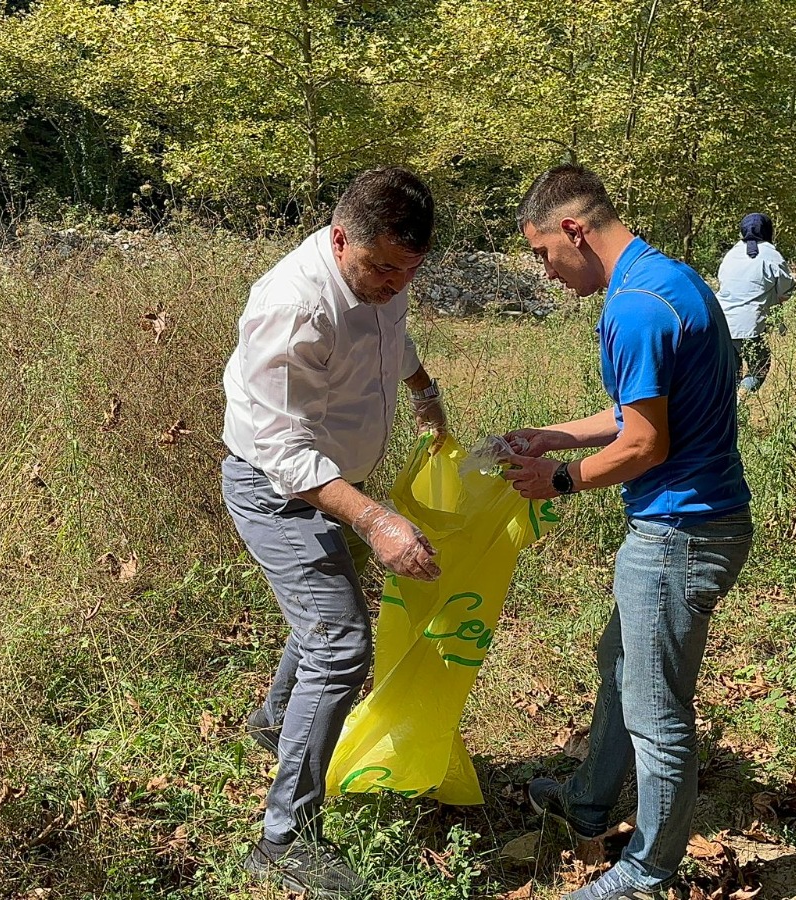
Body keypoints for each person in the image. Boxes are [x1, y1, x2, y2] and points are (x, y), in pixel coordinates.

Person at [501, 164, 754, 900]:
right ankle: (586, 799)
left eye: (544, 254)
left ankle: (646, 871)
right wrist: (554, 436)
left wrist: (561, 480)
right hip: (697, 521)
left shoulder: (634, 308)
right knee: (619, 660)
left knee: (657, 711)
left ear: (573, 230)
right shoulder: (669, 279)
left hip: (679, 532)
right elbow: (639, 414)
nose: (547, 272)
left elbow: (645, 446)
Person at [220, 166, 449, 898]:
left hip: (334, 486)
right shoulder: (293, 306)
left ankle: (275, 722)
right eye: (382, 267)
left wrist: (423, 390)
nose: (394, 282)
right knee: (341, 643)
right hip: (276, 489)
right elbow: (282, 451)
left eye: (408, 270)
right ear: (339, 237)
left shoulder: (384, 275)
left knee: (325, 615)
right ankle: (284, 839)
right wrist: (376, 518)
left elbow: (393, 336)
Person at [715, 212, 796, 395]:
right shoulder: (771, 254)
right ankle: (741, 399)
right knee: (760, 366)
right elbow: (787, 289)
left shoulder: (732, 253)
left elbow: (723, 282)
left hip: (722, 320)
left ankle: (732, 413)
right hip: (750, 324)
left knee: (732, 374)